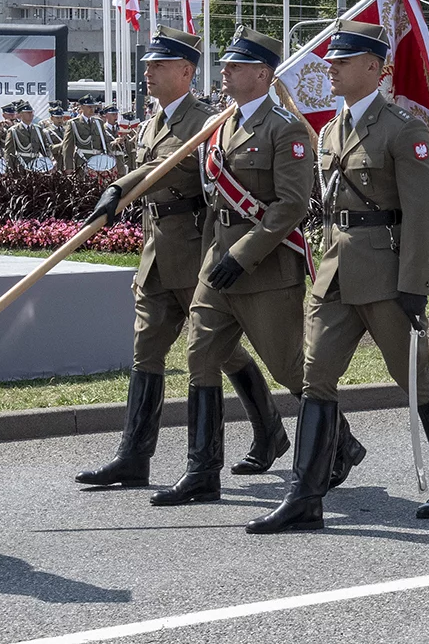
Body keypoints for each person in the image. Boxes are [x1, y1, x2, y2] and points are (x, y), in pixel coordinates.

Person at [248, 21, 429, 533]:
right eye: (331, 61)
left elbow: (422, 214)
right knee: (315, 377)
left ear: (374, 68)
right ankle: (305, 494)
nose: (332, 68)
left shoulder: (403, 128)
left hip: (387, 274)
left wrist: (416, 283)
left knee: (412, 378)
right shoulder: (329, 130)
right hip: (336, 273)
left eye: (343, 62)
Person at [76, 28, 287, 492]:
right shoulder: (153, 122)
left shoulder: (206, 122)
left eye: (158, 65)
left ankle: (273, 432)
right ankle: (133, 456)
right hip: (156, 253)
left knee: (219, 354)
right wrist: (118, 189)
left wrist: (129, 184)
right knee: (146, 352)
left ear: (186, 72)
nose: (147, 72)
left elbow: (176, 171)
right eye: (147, 65)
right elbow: (150, 169)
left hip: (196, 253)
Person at [150, 27, 319, 506]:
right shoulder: (221, 125)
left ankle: (339, 443)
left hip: (264, 269)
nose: (224, 71)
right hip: (216, 265)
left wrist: (242, 256)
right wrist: (213, 258)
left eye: (236, 65)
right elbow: (214, 203)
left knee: (288, 368)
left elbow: (291, 205)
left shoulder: (285, 128)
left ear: (262, 74)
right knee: (200, 357)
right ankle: (202, 471)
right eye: (224, 64)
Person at [59, 95, 117, 174]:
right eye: (89, 107)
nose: (92, 109)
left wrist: (112, 162)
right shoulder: (74, 123)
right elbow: (68, 147)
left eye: (93, 107)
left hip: (99, 163)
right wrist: (69, 167)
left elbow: (105, 143)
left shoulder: (98, 122)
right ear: (82, 107)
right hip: (82, 162)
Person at [5, 102, 56, 171]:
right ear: (21, 114)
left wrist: (50, 161)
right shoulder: (14, 130)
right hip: (21, 165)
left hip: (38, 165)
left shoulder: (38, 129)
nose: (31, 115)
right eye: (28, 113)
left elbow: (45, 147)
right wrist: (9, 169)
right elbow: (9, 152)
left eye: (32, 112)